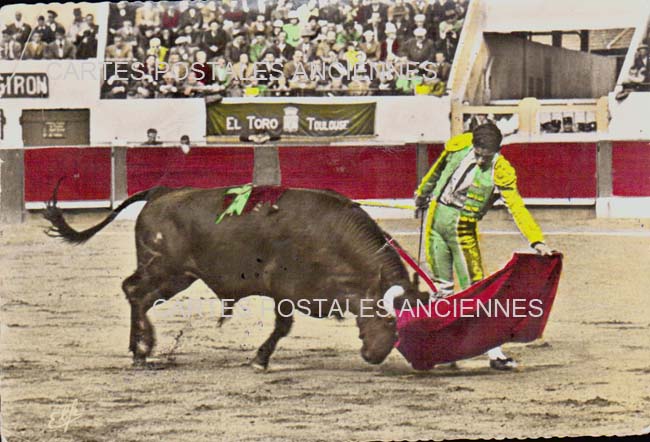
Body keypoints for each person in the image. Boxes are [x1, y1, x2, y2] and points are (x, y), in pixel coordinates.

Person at [414, 123, 556, 370]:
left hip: (462, 231)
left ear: (497, 151)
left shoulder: (500, 170)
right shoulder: (458, 148)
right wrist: (421, 196)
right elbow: (435, 174)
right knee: (442, 288)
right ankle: (444, 349)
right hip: (435, 222)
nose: (480, 160)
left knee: (477, 293)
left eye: (485, 156)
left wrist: (536, 240)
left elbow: (517, 208)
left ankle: (494, 353)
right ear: (472, 145)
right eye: (478, 153)